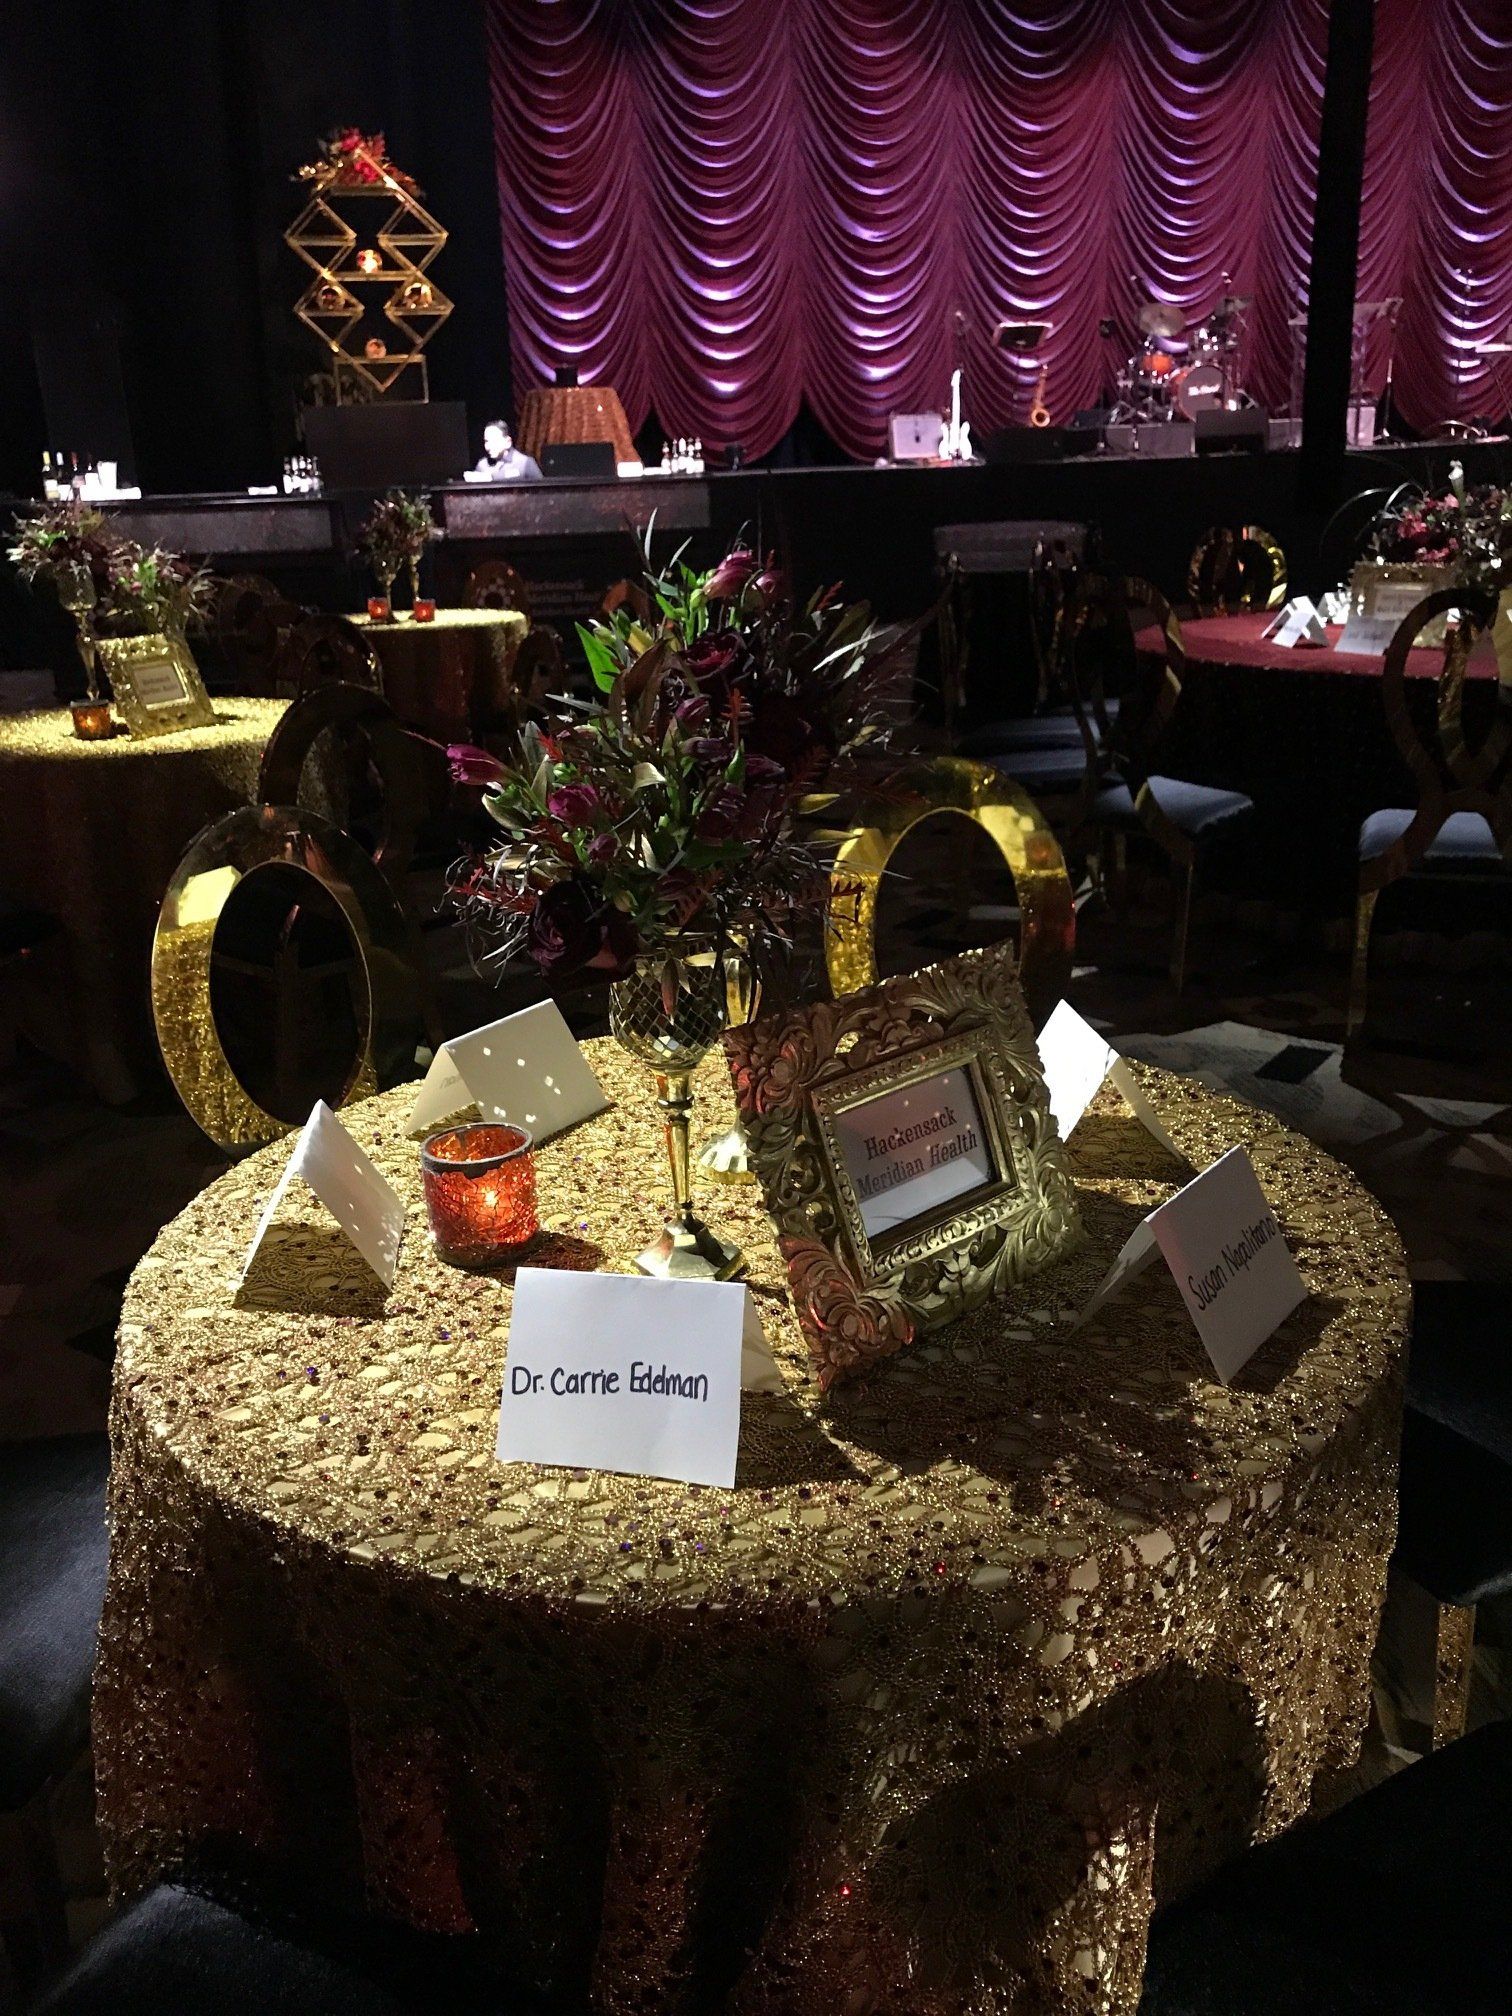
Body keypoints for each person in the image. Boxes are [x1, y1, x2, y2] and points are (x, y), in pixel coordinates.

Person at [473, 421, 541, 481]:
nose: (489, 446)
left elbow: (542, 491)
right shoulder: (483, 465)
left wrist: (492, 478)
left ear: (508, 442)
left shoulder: (524, 463)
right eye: (486, 441)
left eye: (494, 441)